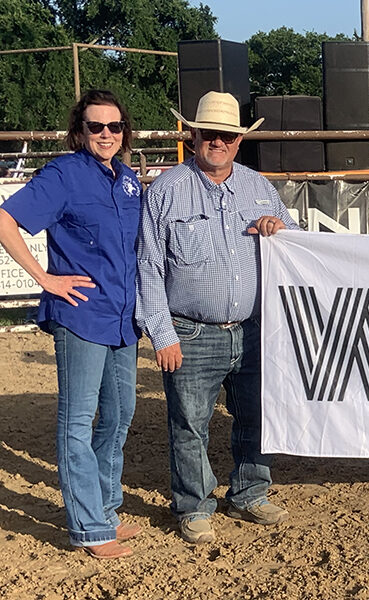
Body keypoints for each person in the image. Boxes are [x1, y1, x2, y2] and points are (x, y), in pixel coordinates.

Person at [136, 91, 300, 544]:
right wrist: (162, 332)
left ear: (238, 141)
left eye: (227, 135)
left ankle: (250, 490)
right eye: (210, 133)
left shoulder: (259, 188)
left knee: (256, 415)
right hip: (190, 330)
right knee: (189, 424)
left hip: (253, 328)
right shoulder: (166, 190)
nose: (218, 142)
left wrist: (280, 229)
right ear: (193, 136)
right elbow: (148, 265)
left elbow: (296, 242)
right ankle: (193, 504)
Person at [0, 90, 142, 558]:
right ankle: (89, 527)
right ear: (79, 131)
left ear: (124, 132)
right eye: (95, 126)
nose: (106, 134)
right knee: (77, 422)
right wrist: (44, 278)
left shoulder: (128, 179)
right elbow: (5, 220)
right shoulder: (63, 174)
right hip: (80, 314)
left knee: (119, 417)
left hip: (122, 317)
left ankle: (106, 510)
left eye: (114, 126)